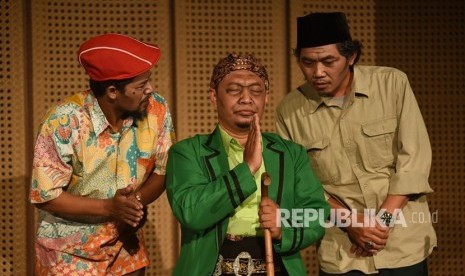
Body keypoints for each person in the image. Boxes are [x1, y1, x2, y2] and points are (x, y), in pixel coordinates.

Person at [276, 12, 437, 275]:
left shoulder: (391, 83)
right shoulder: (289, 110)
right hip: (342, 251)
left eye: (328, 61)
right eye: (307, 63)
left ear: (350, 57)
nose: (317, 72)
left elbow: (414, 159)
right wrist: (352, 223)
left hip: (402, 245)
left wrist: (380, 224)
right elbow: (300, 184)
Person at [166, 53, 329, 275]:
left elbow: (317, 214)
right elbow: (191, 212)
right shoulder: (188, 152)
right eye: (234, 90)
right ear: (214, 96)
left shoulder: (290, 153)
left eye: (256, 91)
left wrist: (283, 225)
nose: (246, 98)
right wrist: (248, 169)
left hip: (277, 266)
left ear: (266, 97)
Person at [29, 33, 175, 275]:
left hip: (125, 248)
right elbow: (46, 196)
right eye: (140, 86)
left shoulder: (156, 110)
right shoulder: (63, 122)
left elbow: (163, 170)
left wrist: (132, 206)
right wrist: (110, 208)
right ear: (112, 91)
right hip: (69, 254)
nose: (149, 89)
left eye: (148, 81)